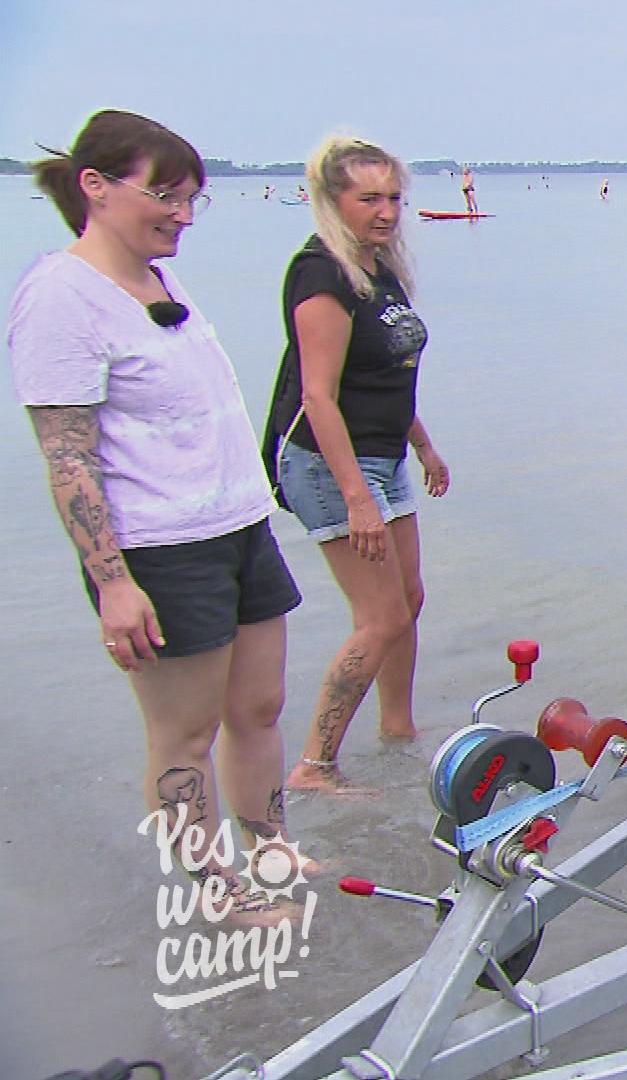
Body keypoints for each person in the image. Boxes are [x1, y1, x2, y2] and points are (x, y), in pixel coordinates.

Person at [7, 110, 303, 918]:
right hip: (161, 551)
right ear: (95, 189)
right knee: (184, 738)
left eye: (191, 199)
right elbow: (68, 456)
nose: (181, 213)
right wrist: (113, 584)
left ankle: (270, 849)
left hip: (237, 527)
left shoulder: (155, 277)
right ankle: (217, 891)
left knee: (259, 709)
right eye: (165, 194)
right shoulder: (61, 297)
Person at [265, 137, 449, 793]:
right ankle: (314, 764)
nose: (386, 211)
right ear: (331, 201)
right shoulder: (323, 276)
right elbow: (318, 396)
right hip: (326, 463)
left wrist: (423, 444)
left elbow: (386, 375)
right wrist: (356, 497)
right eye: (368, 198)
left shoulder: (380, 271)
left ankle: (397, 731)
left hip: (384, 453)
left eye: (394, 197)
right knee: (381, 618)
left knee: (409, 601)